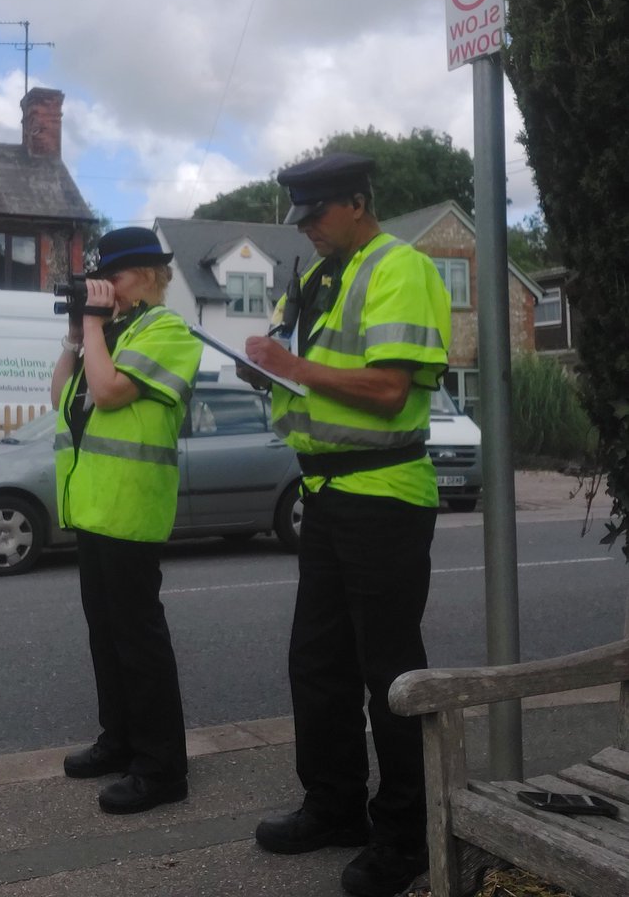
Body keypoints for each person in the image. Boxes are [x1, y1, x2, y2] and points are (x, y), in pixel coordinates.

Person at [242, 153, 451, 897]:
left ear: (358, 203)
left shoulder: (401, 268)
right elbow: (301, 361)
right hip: (325, 493)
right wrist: (265, 366)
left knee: (387, 671)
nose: (308, 229)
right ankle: (334, 806)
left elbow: (390, 389)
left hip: (384, 493)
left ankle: (407, 835)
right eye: (299, 218)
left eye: (317, 215)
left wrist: (291, 369)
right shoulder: (316, 277)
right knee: (316, 662)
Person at [51, 226, 202, 815]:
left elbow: (110, 393)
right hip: (93, 507)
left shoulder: (166, 330)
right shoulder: (109, 333)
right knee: (106, 635)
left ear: (144, 277)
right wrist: (75, 333)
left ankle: (163, 768)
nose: (104, 286)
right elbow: (62, 393)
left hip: (131, 509)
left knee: (139, 642)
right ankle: (119, 742)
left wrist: (92, 325)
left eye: (111, 276)